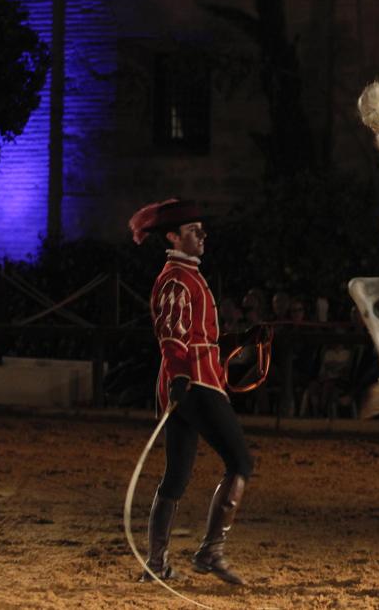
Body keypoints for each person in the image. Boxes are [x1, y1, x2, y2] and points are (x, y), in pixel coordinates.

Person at [127, 199, 255, 585]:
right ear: (173, 237)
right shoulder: (177, 278)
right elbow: (172, 334)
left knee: (177, 475)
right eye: (193, 231)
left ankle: (156, 562)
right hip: (194, 383)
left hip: (187, 382)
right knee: (240, 462)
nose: (202, 235)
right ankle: (210, 551)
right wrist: (181, 376)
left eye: (201, 230)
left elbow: (196, 334)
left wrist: (237, 340)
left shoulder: (186, 276)